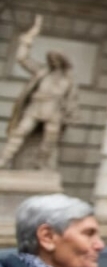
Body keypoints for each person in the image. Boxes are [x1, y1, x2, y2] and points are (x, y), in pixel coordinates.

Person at [0, 15, 78, 169]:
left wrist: (70, 115)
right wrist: (29, 37)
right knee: (19, 133)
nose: (54, 61)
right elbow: (22, 59)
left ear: (63, 61)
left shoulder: (68, 81)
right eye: (52, 58)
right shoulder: (42, 72)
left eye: (57, 59)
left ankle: (41, 166)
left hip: (54, 110)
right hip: (36, 107)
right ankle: (3, 161)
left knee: (50, 139)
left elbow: (71, 101)